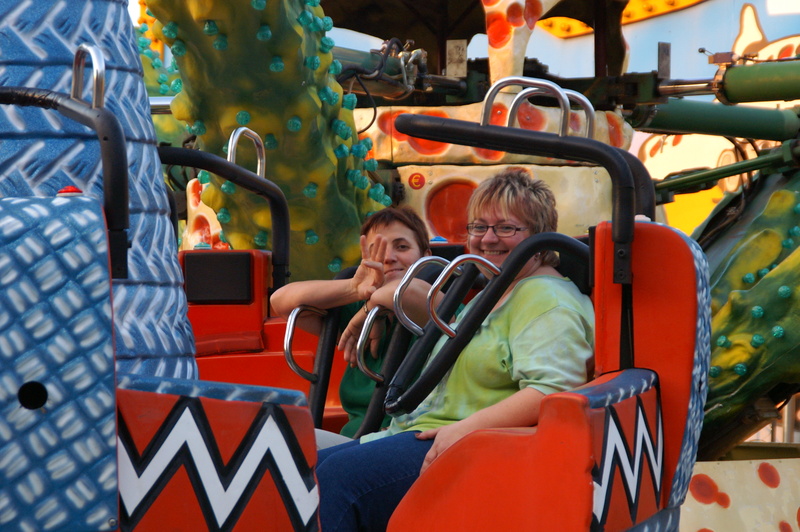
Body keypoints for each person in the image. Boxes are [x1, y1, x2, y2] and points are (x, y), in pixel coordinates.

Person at [315, 167, 595, 531]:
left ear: (540, 237)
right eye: (478, 227)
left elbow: (554, 389)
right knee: (306, 474)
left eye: (506, 228)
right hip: (427, 432)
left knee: (333, 481)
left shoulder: (546, 298)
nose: (488, 238)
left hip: (474, 446)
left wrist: (464, 430)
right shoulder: (497, 290)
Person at [270, 206, 432, 439]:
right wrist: (354, 289)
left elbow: (403, 293)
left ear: (426, 257)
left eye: (402, 247)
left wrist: (371, 309)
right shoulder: (355, 309)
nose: (388, 257)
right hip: (355, 438)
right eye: (377, 250)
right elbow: (280, 300)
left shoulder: (440, 303)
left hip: (405, 438)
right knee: (280, 444)